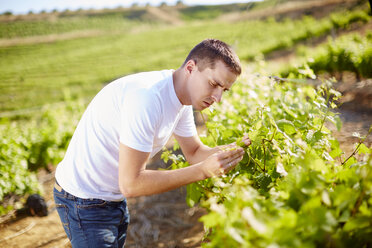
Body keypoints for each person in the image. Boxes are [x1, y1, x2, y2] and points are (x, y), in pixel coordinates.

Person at [53, 38, 251, 247]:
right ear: (191, 68)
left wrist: (235, 150)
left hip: (113, 199)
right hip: (83, 201)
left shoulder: (182, 100)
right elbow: (131, 184)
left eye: (225, 90)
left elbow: (194, 152)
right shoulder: (147, 99)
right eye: (214, 84)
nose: (218, 97)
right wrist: (203, 171)